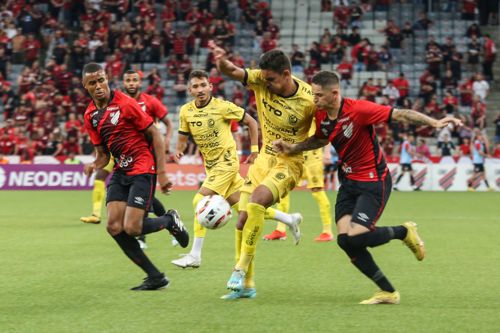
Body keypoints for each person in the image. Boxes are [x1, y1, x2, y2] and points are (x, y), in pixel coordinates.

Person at [273, 70, 462, 304]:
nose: (315, 99)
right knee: (345, 240)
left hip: (374, 182)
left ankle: (404, 232)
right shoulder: (321, 115)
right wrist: (293, 147)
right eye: (313, 94)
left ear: (335, 93)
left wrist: (434, 122)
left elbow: (400, 114)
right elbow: (321, 139)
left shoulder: (359, 110)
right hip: (348, 183)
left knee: (358, 236)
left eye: (319, 95)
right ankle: (388, 292)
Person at [209, 41, 317, 299]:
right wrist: (221, 61)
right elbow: (233, 72)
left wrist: (294, 146)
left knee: (257, 202)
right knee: (242, 221)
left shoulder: (309, 100)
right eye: (263, 78)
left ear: (287, 75)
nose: (265, 84)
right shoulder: (260, 79)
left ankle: (239, 267)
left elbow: (322, 137)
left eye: (271, 80)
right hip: (264, 158)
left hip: (289, 162)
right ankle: (247, 286)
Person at [171, 70, 302, 270]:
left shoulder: (223, 107)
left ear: (210, 87)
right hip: (212, 167)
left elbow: (251, 122)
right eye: (195, 86)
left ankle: (195, 255)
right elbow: (182, 134)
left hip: (226, 164)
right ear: (189, 90)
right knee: (247, 207)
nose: (200, 89)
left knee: (200, 201)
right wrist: (179, 150)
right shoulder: (185, 111)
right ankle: (289, 219)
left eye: (203, 85)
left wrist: (254, 149)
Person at [81, 62, 189, 290]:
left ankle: (169, 220)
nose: (99, 86)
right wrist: (94, 164)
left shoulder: (125, 103)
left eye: (101, 80)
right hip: (121, 170)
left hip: (142, 167)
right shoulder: (90, 114)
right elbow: (103, 154)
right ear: (86, 86)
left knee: (132, 228)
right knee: (113, 227)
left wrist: (161, 173)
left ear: (107, 79)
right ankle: (155, 277)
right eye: (93, 83)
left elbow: (156, 136)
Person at [80, 70, 173, 237]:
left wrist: (166, 145)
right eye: (128, 80)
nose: (131, 83)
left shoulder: (146, 101)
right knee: (102, 179)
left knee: (137, 215)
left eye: (134, 80)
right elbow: (102, 153)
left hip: (144, 155)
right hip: (119, 157)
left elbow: (161, 128)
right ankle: (97, 213)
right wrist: (94, 164)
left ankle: (165, 221)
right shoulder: (93, 112)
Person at [263, 124, 334, 242]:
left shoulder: (315, 107)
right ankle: (280, 230)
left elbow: (328, 129)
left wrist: (327, 152)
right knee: (283, 190)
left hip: (312, 158)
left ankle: (327, 231)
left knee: (317, 192)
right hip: (294, 155)